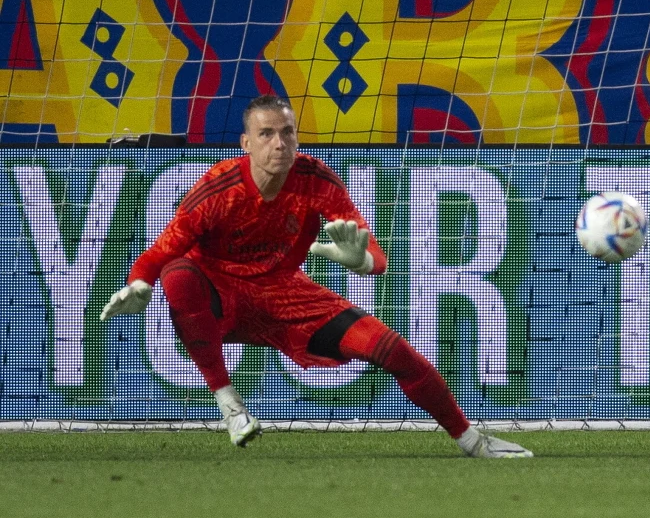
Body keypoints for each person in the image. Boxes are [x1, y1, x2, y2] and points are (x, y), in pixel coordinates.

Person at [99, 94, 532, 458]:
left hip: (287, 293)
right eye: (267, 134)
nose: (279, 143)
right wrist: (141, 282)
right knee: (178, 273)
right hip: (220, 288)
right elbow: (161, 251)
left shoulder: (316, 178)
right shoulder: (218, 188)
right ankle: (230, 405)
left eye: (287, 132)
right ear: (246, 142)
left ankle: (473, 441)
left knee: (392, 350)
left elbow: (375, 256)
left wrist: (361, 262)